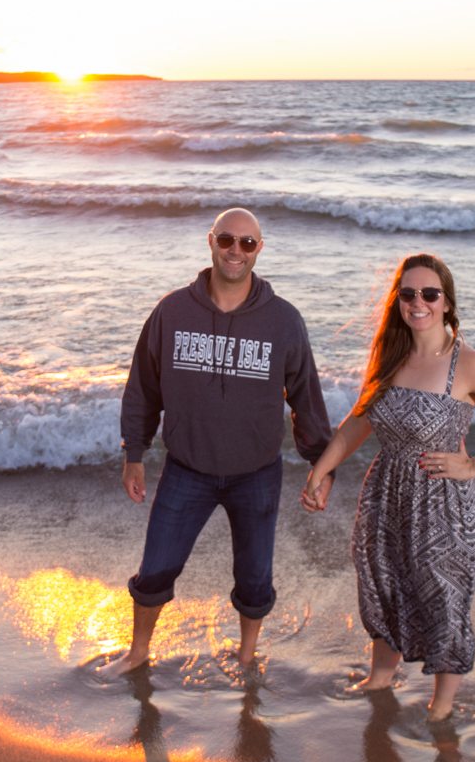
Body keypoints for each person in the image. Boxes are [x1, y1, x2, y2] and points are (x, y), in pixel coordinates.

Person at [300, 253, 475, 720]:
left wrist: (474, 465)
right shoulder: (390, 358)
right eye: (408, 293)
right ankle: (380, 677)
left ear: (447, 303)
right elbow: (359, 423)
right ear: (398, 301)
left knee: (443, 595)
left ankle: (441, 706)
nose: (419, 303)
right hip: (386, 497)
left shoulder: (468, 365)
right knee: (382, 585)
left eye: (430, 294)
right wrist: (322, 469)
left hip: (447, 505)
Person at [110, 208, 333, 674]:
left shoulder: (283, 321)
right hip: (186, 470)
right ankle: (138, 653)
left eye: (247, 243)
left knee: (254, 578)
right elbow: (144, 386)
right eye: (227, 240)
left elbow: (306, 397)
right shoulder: (172, 311)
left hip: (257, 473)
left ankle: (247, 658)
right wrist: (135, 453)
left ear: (259, 250)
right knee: (156, 570)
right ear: (210, 241)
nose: (236, 251)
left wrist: (321, 466)